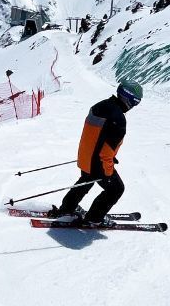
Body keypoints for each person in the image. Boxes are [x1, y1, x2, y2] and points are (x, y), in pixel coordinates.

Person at [51, 80, 143, 227]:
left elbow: (96, 136)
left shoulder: (101, 105)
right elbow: (106, 153)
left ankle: (67, 208)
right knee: (116, 189)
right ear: (129, 99)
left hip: (85, 157)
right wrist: (108, 172)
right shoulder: (118, 119)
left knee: (86, 180)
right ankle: (94, 218)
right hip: (97, 163)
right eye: (136, 102)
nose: (134, 106)